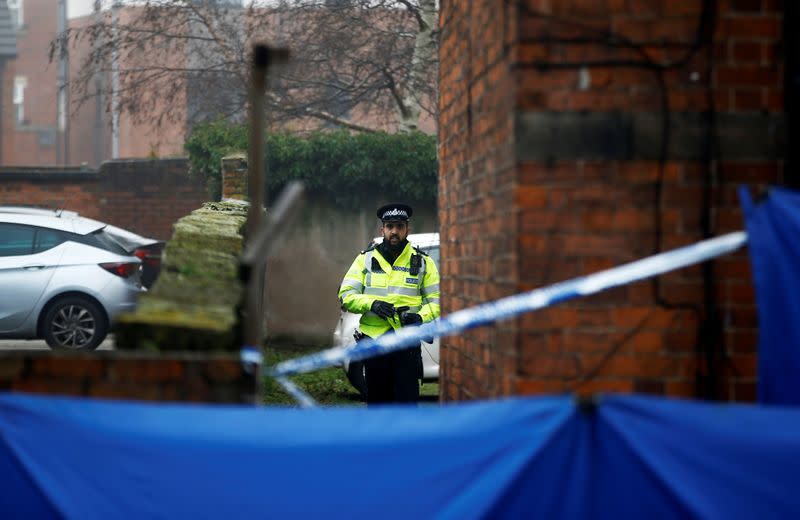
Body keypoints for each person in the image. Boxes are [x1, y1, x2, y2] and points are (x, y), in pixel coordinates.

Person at [338, 203, 441, 405]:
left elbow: (436, 302)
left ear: (407, 229)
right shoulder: (365, 260)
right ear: (382, 229)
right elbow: (346, 295)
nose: (394, 231)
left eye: (399, 226)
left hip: (407, 343)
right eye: (390, 226)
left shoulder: (423, 262)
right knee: (377, 402)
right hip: (375, 343)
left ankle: (404, 437)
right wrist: (372, 304)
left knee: (407, 403)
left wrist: (420, 317)